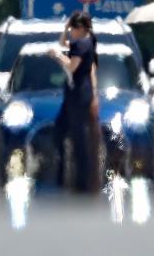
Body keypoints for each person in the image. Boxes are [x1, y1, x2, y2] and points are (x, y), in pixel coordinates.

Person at [49, 11, 98, 192]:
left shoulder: (84, 44)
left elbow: (71, 66)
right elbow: (63, 43)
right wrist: (65, 27)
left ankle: (82, 181)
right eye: (72, 28)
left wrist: (57, 56)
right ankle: (63, 173)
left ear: (84, 29)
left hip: (79, 94)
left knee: (79, 138)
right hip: (72, 94)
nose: (73, 32)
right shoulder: (81, 42)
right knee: (59, 131)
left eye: (75, 28)